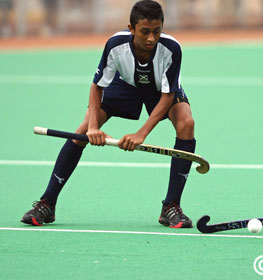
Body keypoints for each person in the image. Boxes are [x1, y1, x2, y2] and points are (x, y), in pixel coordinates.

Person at [21, 0, 196, 229]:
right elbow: (97, 87)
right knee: (81, 131)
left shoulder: (171, 49)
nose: (151, 38)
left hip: (159, 91)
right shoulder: (115, 45)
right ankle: (47, 203)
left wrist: (140, 134)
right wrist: (93, 127)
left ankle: (171, 207)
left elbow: (167, 96)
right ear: (131, 29)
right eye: (145, 32)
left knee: (186, 123)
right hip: (124, 85)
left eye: (156, 31)